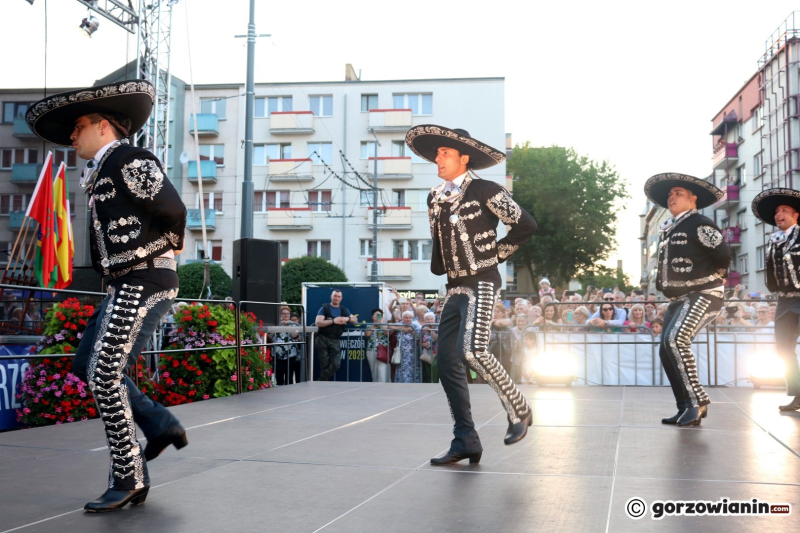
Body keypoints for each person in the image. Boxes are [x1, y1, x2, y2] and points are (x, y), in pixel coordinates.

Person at [26, 80, 189, 511]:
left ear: (103, 127)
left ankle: (129, 475)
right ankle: (159, 422)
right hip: (127, 283)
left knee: (102, 372)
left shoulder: (131, 159)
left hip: (146, 279)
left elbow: (172, 211)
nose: (72, 135)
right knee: (87, 364)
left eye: (78, 126)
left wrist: (155, 250)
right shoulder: (102, 168)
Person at [406, 124, 536, 465]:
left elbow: (525, 225)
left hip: (483, 281)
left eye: (445, 153)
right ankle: (466, 438)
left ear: (464, 158)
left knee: (474, 350)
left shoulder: (487, 190)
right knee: (447, 360)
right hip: (454, 286)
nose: (438, 157)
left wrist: (494, 255)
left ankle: (519, 410)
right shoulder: (434, 196)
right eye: (437, 153)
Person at [644, 172, 730, 427]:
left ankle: (697, 402)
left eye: (678, 193)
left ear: (693, 199)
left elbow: (723, 255)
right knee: (666, 349)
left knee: (675, 339)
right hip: (679, 299)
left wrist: (715, 279)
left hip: (704, 294)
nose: (672, 197)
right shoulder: (671, 228)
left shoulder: (700, 223)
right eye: (670, 195)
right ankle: (684, 407)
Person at [752, 188, 800, 412]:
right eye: (777, 211)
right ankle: (798, 394)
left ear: (795, 215)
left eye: (785, 210)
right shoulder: (774, 240)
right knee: (783, 349)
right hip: (784, 300)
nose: (779, 214)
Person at [315, 289, 356, 381]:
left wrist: (348, 318)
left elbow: (355, 319)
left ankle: (321, 379)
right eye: (335, 296)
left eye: (338, 296)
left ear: (341, 298)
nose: (336, 298)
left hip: (335, 339)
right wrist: (334, 321)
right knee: (324, 364)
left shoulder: (344, 309)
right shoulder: (324, 308)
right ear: (331, 297)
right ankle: (323, 386)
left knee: (336, 364)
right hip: (323, 339)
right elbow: (318, 322)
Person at [269, 306, 302, 385]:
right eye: (284, 314)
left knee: (289, 377)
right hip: (277, 354)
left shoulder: (294, 324)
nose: (286, 315)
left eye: (288, 314)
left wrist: (289, 325)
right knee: (279, 376)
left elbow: (294, 335)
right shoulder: (276, 323)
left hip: (290, 354)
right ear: (280, 314)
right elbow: (270, 337)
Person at [364, 308, 390, 382]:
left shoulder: (385, 324)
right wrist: (375, 326)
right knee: (374, 370)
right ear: (372, 316)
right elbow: (367, 334)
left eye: (379, 315)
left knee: (383, 370)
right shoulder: (369, 325)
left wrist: (381, 323)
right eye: (375, 315)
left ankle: (383, 387)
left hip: (384, 350)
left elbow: (386, 333)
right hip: (372, 350)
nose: (377, 316)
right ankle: (375, 386)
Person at [394, 310, 420, 383]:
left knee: (413, 369)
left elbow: (418, 337)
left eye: (410, 317)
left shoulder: (415, 326)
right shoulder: (400, 324)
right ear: (402, 318)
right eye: (406, 317)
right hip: (402, 353)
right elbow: (388, 326)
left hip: (413, 353)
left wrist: (411, 331)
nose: (408, 319)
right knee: (401, 369)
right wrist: (400, 328)